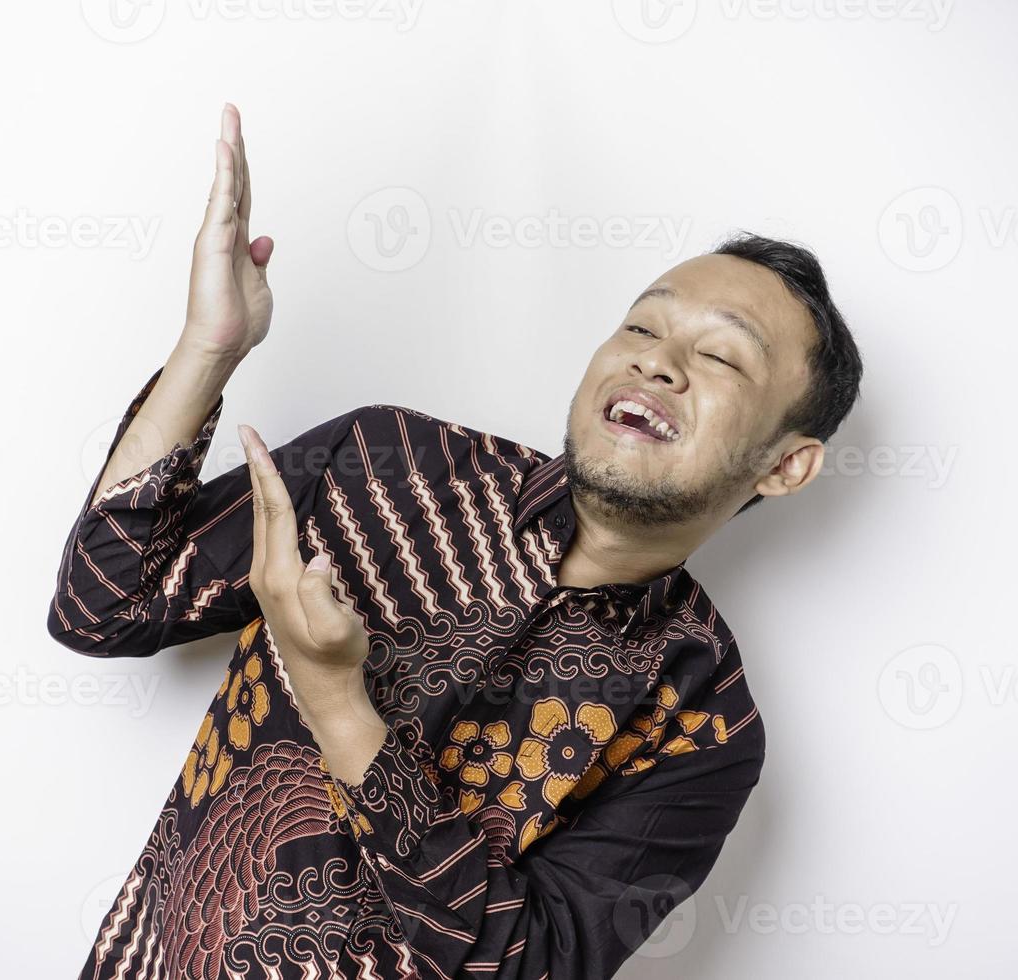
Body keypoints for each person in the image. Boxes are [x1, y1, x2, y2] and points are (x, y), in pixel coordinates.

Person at [48, 102, 863, 980]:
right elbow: (102, 606)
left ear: (787, 466)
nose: (656, 363)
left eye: (724, 358)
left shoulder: (702, 726)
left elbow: (522, 966)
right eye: (641, 326)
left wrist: (337, 701)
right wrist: (208, 350)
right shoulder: (384, 463)